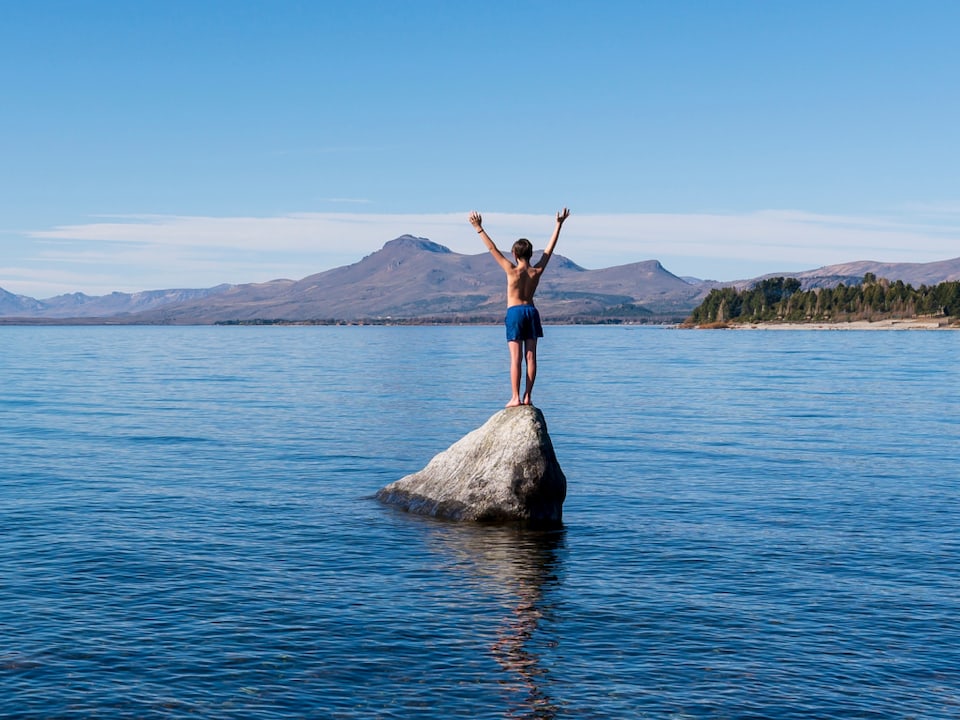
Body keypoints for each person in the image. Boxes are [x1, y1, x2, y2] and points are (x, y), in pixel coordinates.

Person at [469, 208, 571, 408]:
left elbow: (492, 248)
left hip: (515, 312)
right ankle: (528, 396)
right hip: (531, 312)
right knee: (531, 357)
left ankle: (515, 397)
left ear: (514, 254)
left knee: (516, 358)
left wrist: (478, 228)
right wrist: (558, 225)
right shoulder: (537, 271)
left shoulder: (511, 270)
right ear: (531, 254)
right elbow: (549, 251)